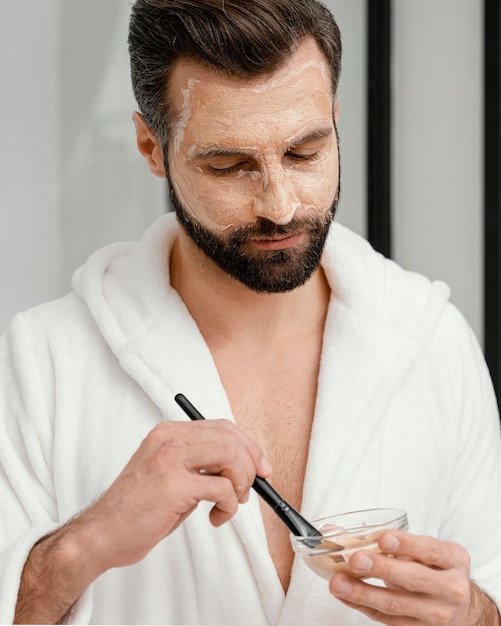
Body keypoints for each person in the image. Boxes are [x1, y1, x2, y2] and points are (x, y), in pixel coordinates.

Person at [1, 0, 500, 623]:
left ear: (335, 121)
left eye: (305, 152)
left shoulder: (433, 343)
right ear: (151, 147)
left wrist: (474, 615)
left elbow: (491, 587)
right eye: (229, 165)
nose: (281, 205)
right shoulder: (44, 361)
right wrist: (86, 543)